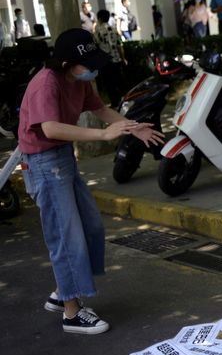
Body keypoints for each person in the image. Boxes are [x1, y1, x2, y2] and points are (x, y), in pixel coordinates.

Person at [17, 28, 164, 334]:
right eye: (89, 64)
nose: (94, 70)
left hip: (62, 160)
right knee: (66, 237)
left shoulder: (78, 81)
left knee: (91, 228)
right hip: (44, 164)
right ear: (68, 63)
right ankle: (72, 312)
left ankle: (63, 292)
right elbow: (51, 128)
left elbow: (99, 108)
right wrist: (102, 135)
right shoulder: (46, 83)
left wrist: (131, 127)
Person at [94, 9, 127, 108]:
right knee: (117, 80)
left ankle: (114, 102)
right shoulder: (113, 29)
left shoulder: (98, 31)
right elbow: (119, 45)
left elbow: (96, 46)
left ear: (99, 18)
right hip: (116, 59)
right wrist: (123, 58)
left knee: (108, 83)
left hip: (105, 61)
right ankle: (120, 100)